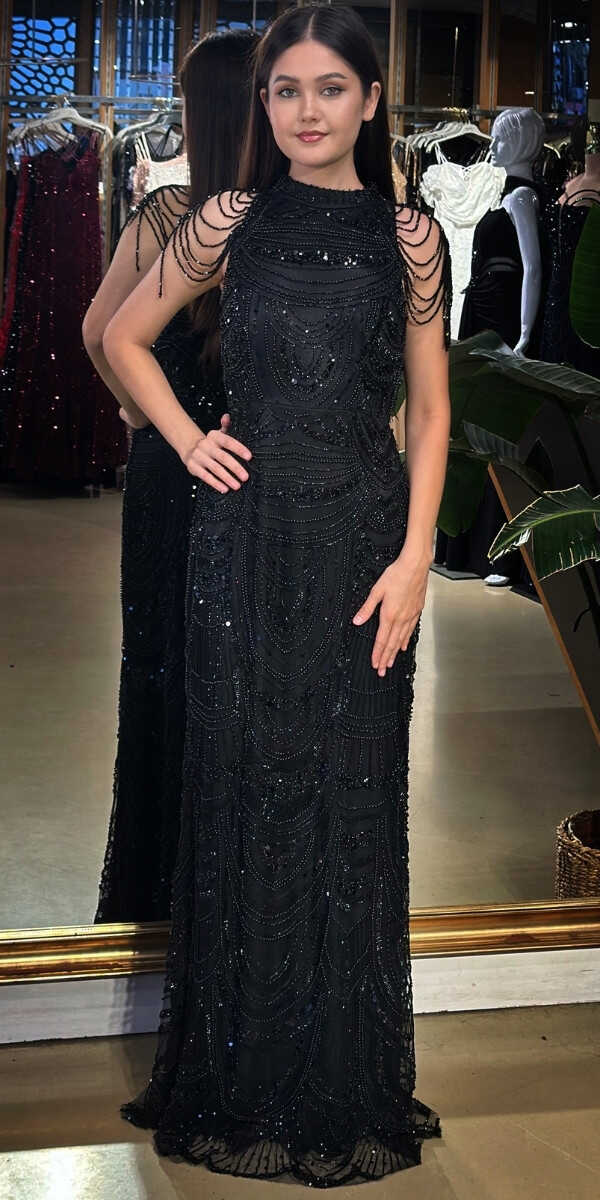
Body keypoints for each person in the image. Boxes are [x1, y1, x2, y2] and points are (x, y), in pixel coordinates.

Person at [104, 4, 451, 1186]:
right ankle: (238, 1074)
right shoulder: (225, 220)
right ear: (263, 105)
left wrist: (416, 558)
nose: (307, 110)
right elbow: (124, 337)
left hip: (364, 550)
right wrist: (189, 438)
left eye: (329, 88)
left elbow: (432, 412)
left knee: (352, 794)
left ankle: (339, 1074)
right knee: (244, 789)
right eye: (285, 90)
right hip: (241, 548)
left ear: (370, 99)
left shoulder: (412, 238)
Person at [82, 29, 258, 923]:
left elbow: (98, 332)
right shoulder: (274, 219)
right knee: (241, 683)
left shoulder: (171, 214)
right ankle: (228, 901)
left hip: (172, 465)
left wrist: (142, 414)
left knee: (161, 676)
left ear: (199, 110)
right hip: (251, 469)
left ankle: (156, 899)